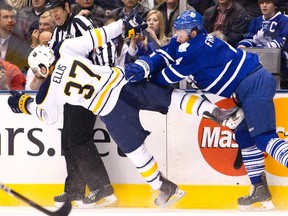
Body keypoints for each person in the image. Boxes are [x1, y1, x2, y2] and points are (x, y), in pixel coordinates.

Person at [7, 18, 243, 208]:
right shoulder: (67, 48)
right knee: (169, 99)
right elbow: (97, 36)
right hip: (123, 83)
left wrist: (23, 104)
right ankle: (217, 112)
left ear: (41, 69)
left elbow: (46, 115)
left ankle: (163, 187)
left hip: (110, 110)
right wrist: (124, 23)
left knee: (135, 150)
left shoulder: (50, 89)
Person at [123, 10, 288, 210]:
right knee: (244, 135)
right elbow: (166, 53)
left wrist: (145, 76)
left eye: (180, 32)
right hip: (247, 85)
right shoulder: (191, 40)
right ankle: (259, 189)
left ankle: (261, 187)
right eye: (175, 30)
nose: (176, 35)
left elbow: (165, 77)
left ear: (193, 32)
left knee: (264, 138)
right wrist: (146, 64)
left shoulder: (197, 51)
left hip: (254, 84)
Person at [46, 0, 116, 208]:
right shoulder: (57, 34)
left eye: (57, 10)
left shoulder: (81, 23)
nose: (54, 15)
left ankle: (103, 188)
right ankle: (75, 190)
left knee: (78, 139)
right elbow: (52, 60)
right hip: (70, 92)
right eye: (51, 12)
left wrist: (105, 75)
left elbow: (104, 44)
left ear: (67, 7)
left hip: (88, 90)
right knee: (67, 141)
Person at [237, 0, 288, 89]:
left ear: (275, 5)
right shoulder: (256, 21)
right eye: (261, 3)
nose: (264, 6)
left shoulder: (284, 21)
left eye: (267, 3)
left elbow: (281, 41)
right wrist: (243, 46)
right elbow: (249, 37)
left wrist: (260, 49)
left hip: (279, 62)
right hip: (257, 60)